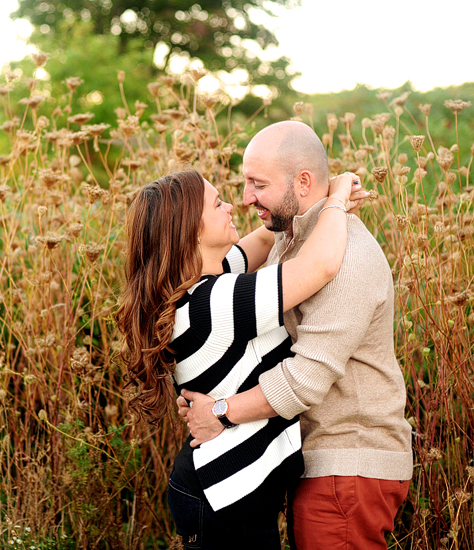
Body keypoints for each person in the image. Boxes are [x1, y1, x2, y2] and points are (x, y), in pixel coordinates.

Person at [179, 121, 413, 550]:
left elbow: (304, 378)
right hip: (318, 463)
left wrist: (221, 410)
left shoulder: (345, 257)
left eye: (258, 184)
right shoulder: (290, 240)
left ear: (302, 182)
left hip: (349, 463)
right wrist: (332, 202)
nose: (246, 198)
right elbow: (270, 243)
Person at [116, 168, 365, 549]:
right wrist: (337, 199)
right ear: (193, 232)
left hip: (226, 491)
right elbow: (320, 266)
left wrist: (312, 194)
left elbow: (265, 238)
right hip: (226, 497)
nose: (232, 205)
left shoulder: (198, 282)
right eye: (217, 204)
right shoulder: (212, 303)